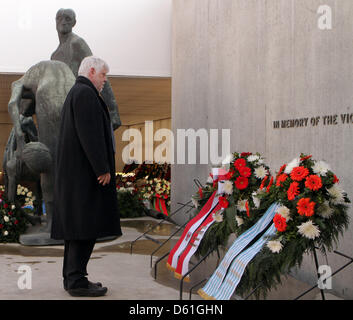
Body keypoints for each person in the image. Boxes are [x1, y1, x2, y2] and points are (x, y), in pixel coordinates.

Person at [51, 56, 122, 297]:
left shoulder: (78, 92)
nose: (105, 81)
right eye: (103, 75)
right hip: (86, 178)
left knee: (77, 230)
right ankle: (78, 281)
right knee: (85, 228)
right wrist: (102, 167)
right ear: (92, 71)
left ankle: (72, 278)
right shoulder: (85, 94)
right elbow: (89, 134)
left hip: (78, 178)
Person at [8, 60, 76, 235]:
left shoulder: (19, 83)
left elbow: (11, 105)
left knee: (48, 164)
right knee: (71, 158)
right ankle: (74, 218)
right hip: (71, 87)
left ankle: (52, 221)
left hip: (48, 92)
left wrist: (20, 138)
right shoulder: (44, 70)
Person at [51, 8, 122, 130]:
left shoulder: (77, 43)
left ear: (74, 23)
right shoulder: (55, 55)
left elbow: (98, 71)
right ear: (55, 21)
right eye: (59, 18)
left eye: (68, 19)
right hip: (63, 109)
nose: (63, 22)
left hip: (78, 104)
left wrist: (113, 110)